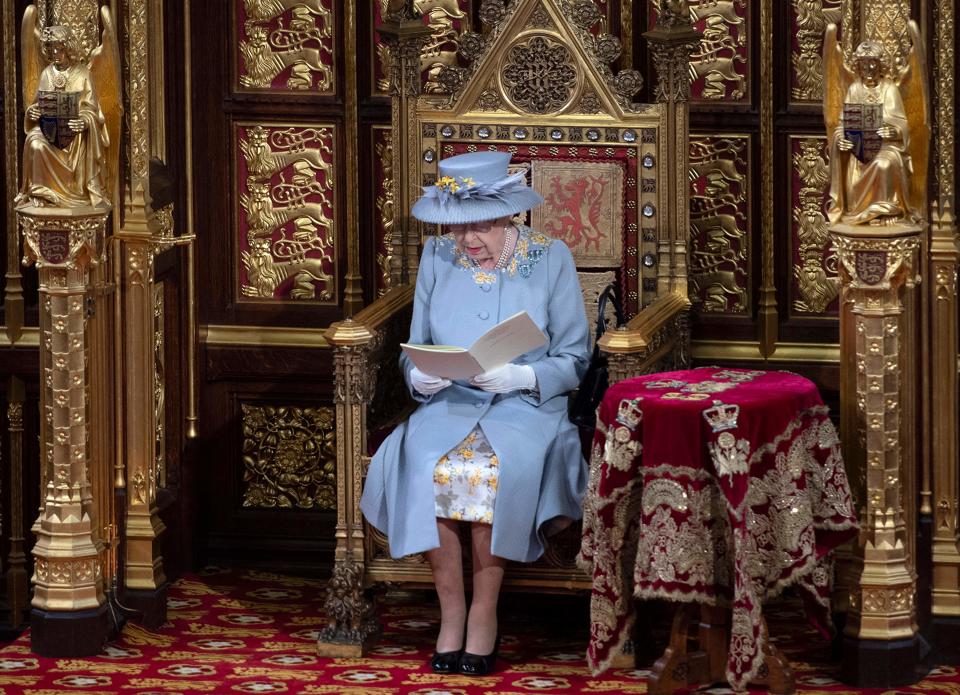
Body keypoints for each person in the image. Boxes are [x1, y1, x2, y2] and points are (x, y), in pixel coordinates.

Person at [360, 151, 590, 676]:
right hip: (448, 403)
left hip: (525, 408)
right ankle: (452, 613)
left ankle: (484, 612)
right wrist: (418, 376)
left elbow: (575, 357)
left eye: (481, 226)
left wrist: (523, 377)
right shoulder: (438, 258)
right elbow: (414, 344)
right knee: (425, 466)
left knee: (493, 472)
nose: (468, 241)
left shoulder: (550, 256)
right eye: (458, 227)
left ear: (509, 214)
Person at [17, 25, 110, 209]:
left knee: (78, 138)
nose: (56, 54)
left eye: (60, 49)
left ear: (68, 49)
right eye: (52, 49)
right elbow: (39, 104)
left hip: (75, 138)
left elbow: (92, 108)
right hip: (50, 133)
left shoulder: (83, 74)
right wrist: (32, 112)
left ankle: (77, 191)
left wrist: (83, 121)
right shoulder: (46, 74)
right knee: (34, 141)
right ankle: (42, 194)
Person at [827, 40, 912, 225]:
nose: (869, 68)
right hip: (861, 149)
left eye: (873, 62)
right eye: (864, 63)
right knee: (856, 165)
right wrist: (841, 138)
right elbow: (844, 124)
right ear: (858, 66)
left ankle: (886, 211)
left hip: (887, 148)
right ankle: (859, 211)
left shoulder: (889, 89)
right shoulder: (854, 89)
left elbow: (902, 124)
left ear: (880, 64)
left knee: (883, 164)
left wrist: (894, 132)